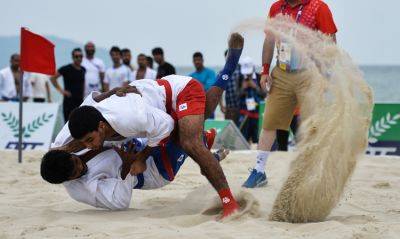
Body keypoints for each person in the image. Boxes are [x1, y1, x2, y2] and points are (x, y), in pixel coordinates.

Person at [65, 33, 244, 219]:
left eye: (90, 140)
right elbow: (91, 103)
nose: (89, 145)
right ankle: (226, 74)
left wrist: (140, 158)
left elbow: (165, 126)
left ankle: (229, 202)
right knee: (188, 135)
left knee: (190, 143)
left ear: (101, 127)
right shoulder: (90, 122)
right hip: (155, 112)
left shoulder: (126, 118)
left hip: (178, 92)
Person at [243, 0, 338, 188]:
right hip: (282, 72)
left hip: (309, 73)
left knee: (312, 124)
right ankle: (259, 171)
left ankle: (313, 172)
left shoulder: (318, 7)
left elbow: (330, 42)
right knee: (269, 122)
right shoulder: (277, 7)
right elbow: (269, 40)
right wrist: (264, 71)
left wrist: (326, 74)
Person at [50, 48, 86, 122]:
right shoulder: (66, 68)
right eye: (76, 56)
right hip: (69, 102)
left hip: (80, 101)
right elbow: (53, 78)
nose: (79, 58)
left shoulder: (83, 69)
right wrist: (61, 91)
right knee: (68, 124)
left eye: (80, 56)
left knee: (80, 124)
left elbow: (83, 84)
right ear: (72, 57)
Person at [238, 57, 265, 144]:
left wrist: (255, 87)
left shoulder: (259, 77)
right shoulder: (240, 78)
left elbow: (264, 94)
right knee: (243, 138)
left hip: (257, 114)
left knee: (257, 139)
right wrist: (242, 88)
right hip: (244, 114)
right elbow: (236, 96)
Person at [222, 49, 241, 126]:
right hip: (229, 107)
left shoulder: (242, 70)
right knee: (230, 129)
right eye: (228, 56)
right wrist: (221, 106)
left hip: (241, 107)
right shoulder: (223, 72)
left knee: (242, 129)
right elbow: (219, 89)